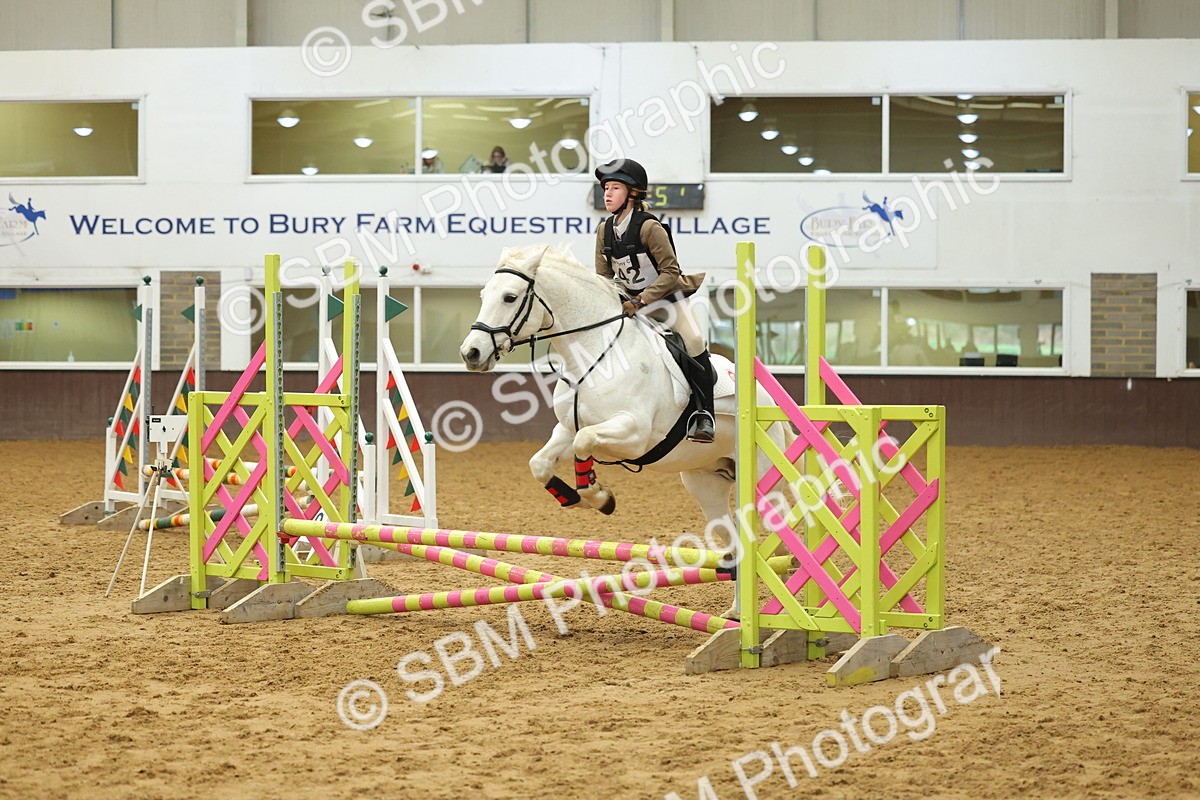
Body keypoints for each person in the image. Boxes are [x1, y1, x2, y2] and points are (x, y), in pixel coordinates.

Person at [593, 158, 715, 444]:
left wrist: (642, 300)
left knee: (695, 341)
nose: (607, 194)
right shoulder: (604, 231)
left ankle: (704, 415)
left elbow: (671, 271)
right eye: (605, 188)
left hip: (667, 301)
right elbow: (603, 277)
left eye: (614, 188)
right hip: (630, 304)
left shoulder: (649, 228)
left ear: (633, 194)